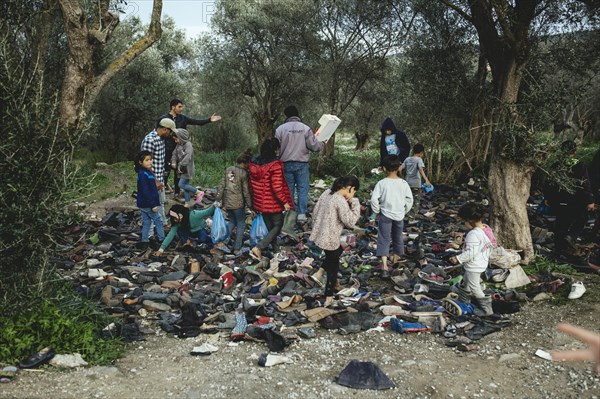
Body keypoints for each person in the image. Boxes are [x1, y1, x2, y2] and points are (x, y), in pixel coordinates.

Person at [309, 176, 361, 307]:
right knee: (333, 266)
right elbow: (350, 221)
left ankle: (320, 273)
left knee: (336, 253)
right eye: (354, 191)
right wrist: (355, 203)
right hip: (331, 237)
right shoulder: (340, 200)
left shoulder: (327, 193)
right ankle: (329, 296)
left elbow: (315, 212)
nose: (353, 194)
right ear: (350, 188)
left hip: (320, 233)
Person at [159, 99, 222, 197]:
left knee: (178, 173)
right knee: (165, 172)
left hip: (179, 149)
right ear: (173, 107)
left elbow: (196, 121)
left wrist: (209, 120)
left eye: (182, 106)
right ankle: (161, 194)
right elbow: (159, 132)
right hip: (167, 149)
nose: (181, 109)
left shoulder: (182, 118)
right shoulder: (164, 119)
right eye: (179, 106)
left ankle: (177, 194)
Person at [544, 140, 595, 252]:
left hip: (558, 201)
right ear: (575, 152)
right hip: (574, 201)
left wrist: (547, 197)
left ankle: (559, 251)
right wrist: (590, 201)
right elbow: (584, 185)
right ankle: (571, 237)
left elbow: (549, 183)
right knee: (582, 218)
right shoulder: (579, 165)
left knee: (561, 224)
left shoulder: (556, 165)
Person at [275, 105, 323, 223]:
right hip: (302, 164)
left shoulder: (280, 129)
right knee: (303, 189)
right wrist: (321, 142)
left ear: (286, 115)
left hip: (285, 164)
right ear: (297, 114)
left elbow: (276, 149)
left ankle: (290, 214)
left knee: (288, 189)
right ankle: (301, 214)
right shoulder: (305, 128)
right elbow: (314, 147)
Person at [248, 138, 294, 259]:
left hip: (259, 201)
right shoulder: (275, 165)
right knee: (278, 225)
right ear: (275, 149)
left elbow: (251, 185)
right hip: (272, 202)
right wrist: (285, 202)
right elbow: (277, 187)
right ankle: (259, 247)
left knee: (269, 226)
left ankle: (275, 249)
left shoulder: (254, 163)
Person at [448, 202, 497, 316]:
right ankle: (463, 301)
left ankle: (487, 310)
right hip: (481, 262)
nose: (464, 224)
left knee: (475, 287)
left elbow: (471, 252)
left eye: (464, 221)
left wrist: (458, 258)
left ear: (469, 220)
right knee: (467, 282)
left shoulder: (473, 234)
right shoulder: (486, 229)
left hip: (474, 265)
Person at [371, 156, 414, 278]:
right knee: (398, 237)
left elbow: (374, 199)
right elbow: (410, 200)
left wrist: (377, 210)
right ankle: (395, 262)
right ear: (399, 167)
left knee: (384, 238)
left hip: (385, 214)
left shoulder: (382, 183)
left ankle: (384, 266)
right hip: (399, 215)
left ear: (384, 168)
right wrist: (405, 210)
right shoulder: (403, 183)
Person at [216, 149, 253, 253]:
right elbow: (246, 192)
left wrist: (218, 199)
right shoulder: (244, 173)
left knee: (232, 221)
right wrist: (250, 205)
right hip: (238, 203)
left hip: (228, 202)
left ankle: (223, 242)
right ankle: (237, 248)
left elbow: (221, 185)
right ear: (245, 163)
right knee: (241, 223)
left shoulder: (228, 169)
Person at [141, 118, 178, 223]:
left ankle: (162, 224)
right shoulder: (150, 140)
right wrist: (155, 180)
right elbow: (145, 165)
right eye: (170, 131)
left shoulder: (161, 139)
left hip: (159, 179)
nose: (171, 134)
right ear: (165, 129)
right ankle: (150, 235)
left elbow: (158, 160)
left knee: (161, 203)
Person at [134, 150, 165, 250]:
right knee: (158, 221)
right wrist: (153, 205)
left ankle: (144, 241)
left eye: (150, 160)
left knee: (147, 222)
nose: (150, 162)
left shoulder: (146, 172)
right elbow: (146, 191)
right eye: (147, 160)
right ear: (140, 162)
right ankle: (162, 240)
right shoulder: (143, 174)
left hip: (143, 204)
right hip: (148, 204)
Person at [170, 128, 202, 207]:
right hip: (181, 169)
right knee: (185, 186)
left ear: (181, 137)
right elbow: (174, 154)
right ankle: (187, 203)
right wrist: (173, 162)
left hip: (187, 169)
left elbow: (188, 156)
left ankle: (197, 192)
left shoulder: (188, 145)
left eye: (176, 139)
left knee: (181, 184)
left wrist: (180, 164)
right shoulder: (178, 145)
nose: (175, 141)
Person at [400, 143, 431, 222]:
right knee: (415, 201)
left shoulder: (407, 159)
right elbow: (420, 170)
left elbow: (400, 169)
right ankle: (411, 219)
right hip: (416, 184)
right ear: (421, 152)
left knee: (407, 200)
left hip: (407, 183)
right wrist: (426, 180)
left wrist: (401, 178)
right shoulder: (419, 159)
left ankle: (403, 217)